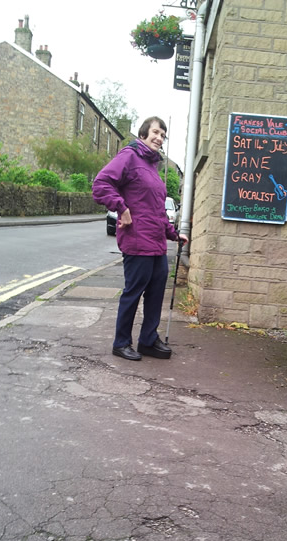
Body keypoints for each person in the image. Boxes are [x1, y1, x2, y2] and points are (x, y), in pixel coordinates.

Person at [92, 116, 188, 361]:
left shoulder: (153, 166)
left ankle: (147, 340)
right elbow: (101, 184)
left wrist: (173, 234)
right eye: (155, 132)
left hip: (156, 242)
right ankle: (121, 342)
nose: (159, 138)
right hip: (136, 239)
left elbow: (156, 209)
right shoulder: (129, 157)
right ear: (143, 134)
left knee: (156, 292)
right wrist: (121, 208)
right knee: (133, 292)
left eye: (163, 135)